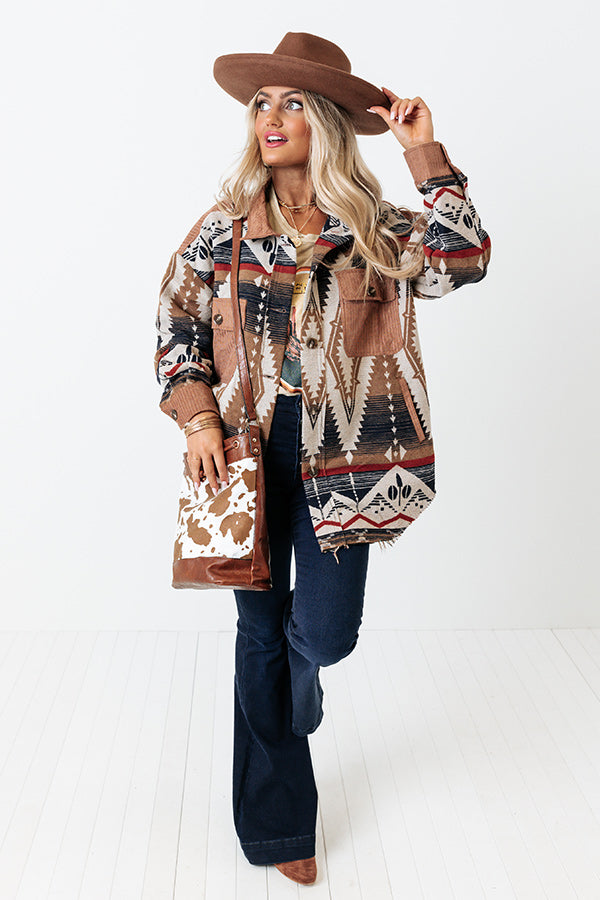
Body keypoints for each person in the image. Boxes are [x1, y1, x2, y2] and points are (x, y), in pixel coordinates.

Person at [154, 32, 491, 886]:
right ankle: (279, 831)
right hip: (244, 454)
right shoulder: (224, 230)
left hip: (348, 457)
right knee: (257, 633)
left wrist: (424, 152)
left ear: (331, 121)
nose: (271, 117)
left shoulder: (375, 229)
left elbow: (462, 262)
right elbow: (176, 321)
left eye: (294, 102)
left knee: (326, 636)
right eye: (262, 103)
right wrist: (197, 418)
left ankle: (300, 686)